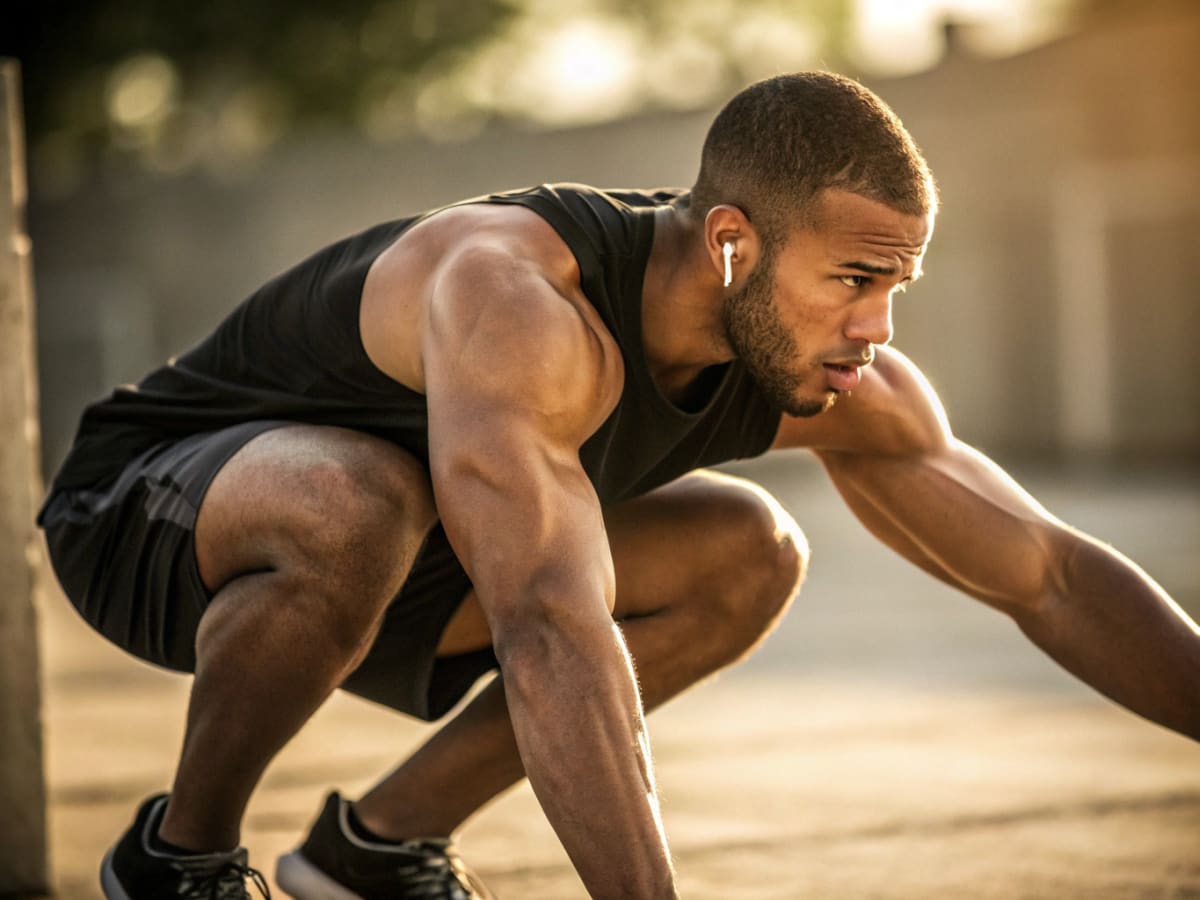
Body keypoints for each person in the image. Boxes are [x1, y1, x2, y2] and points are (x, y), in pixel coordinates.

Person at [38, 71, 1200, 900]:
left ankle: (375, 851)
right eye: (853, 278)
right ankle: (180, 856)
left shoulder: (817, 363)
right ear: (735, 242)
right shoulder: (518, 300)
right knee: (359, 499)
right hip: (153, 516)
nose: (876, 326)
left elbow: (1043, 571)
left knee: (749, 550)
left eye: (896, 283)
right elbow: (551, 625)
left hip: (408, 555)